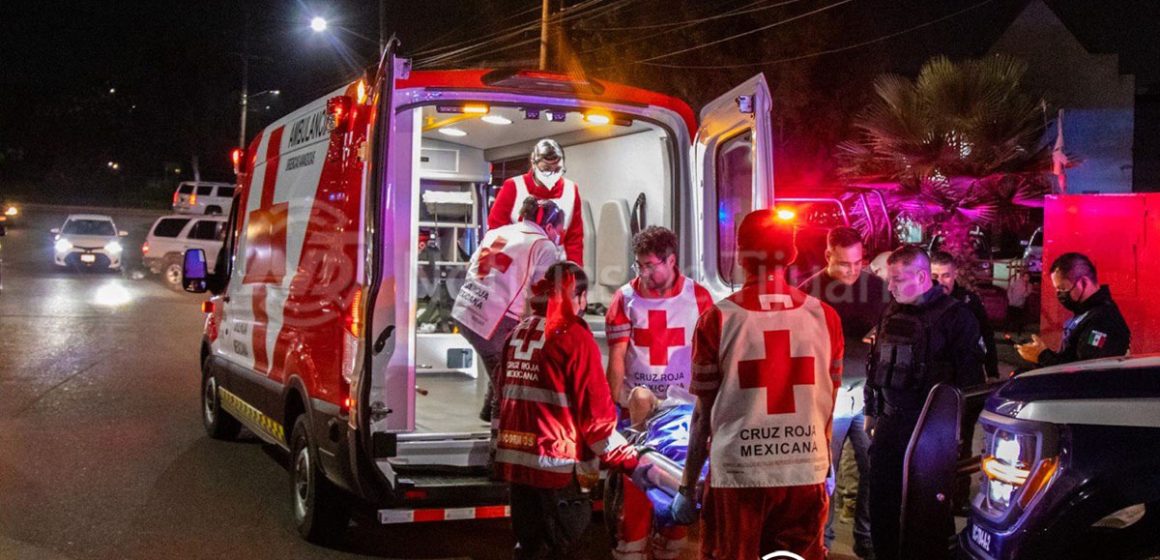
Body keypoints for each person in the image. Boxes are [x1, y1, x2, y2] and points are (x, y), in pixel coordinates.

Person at [671, 208, 844, 560]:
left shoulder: (718, 319)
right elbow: (828, 403)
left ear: (739, 255)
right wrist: (826, 469)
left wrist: (687, 486)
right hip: (804, 472)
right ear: (792, 254)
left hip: (738, 477)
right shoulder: (825, 317)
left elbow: (703, 417)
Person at [493, 261, 639, 559]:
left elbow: (500, 393)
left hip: (516, 465)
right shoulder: (573, 336)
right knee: (562, 545)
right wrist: (624, 456)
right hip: (555, 467)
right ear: (581, 298)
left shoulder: (519, 332)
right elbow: (596, 416)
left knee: (530, 547)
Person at [864, 246, 985, 560]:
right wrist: (872, 410)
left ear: (921, 276)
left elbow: (970, 383)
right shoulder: (892, 310)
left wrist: (955, 434)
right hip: (891, 423)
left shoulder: (957, 316)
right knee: (882, 502)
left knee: (929, 509)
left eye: (897, 280)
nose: (890, 287)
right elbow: (875, 365)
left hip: (931, 431)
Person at [604, 226, 713, 560]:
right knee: (638, 485)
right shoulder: (624, 298)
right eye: (639, 265)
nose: (644, 272)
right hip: (638, 411)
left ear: (672, 260)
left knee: (678, 483)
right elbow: (618, 357)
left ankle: (670, 544)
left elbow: (709, 356)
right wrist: (611, 413)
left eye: (651, 265)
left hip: (682, 411)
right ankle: (632, 548)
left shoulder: (699, 297)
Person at [798, 226, 890, 560]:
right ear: (828, 257)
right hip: (827, 397)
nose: (852, 271)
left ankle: (865, 539)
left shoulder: (878, 289)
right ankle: (823, 538)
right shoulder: (809, 293)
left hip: (867, 395)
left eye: (857, 263)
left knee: (872, 467)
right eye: (843, 264)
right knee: (825, 471)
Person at [452, 197, 564, 422]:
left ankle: (487, 411)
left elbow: (473, 266)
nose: (557, 236)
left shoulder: (498, 232)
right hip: (493, 322)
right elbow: (542, 292)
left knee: (504, 365)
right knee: (509, 385)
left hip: (465, 310)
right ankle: (499, 435)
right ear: (550, 226)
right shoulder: (543, 244)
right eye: (558, 231)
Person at [1015, 252, 1130, 366]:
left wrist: (1043, 357)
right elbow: (1069, 358)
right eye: (1057, 289)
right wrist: (1040, 355)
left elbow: (1085, 371)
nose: (1059, 294)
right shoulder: (1085, 312)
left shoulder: (1103, 320)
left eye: (1063, 288)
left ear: (1084, 283)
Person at [488, 139, 585, 264]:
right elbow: (497, 231)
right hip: (518, 264)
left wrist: (575, 274)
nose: (552, 175)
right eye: (546, 169)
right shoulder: (514, 186)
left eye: (557, 170)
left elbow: (574, 238)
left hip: (555, 267)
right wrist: (494, 272)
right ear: (533, 164)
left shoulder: (571, 190)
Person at [930, 251, 1000, 380]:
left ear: (955, 274)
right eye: (935, 276)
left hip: (968, 375)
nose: (940, 282)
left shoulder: (970, 302)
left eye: (946, 276)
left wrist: (992, 372)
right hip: (934, 377)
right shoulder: (922, 304)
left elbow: (987, 335)